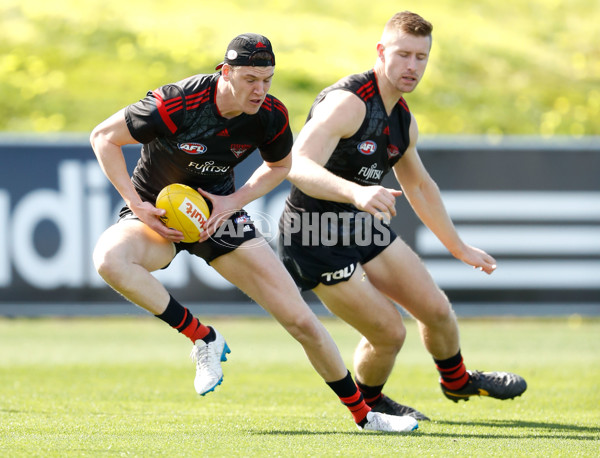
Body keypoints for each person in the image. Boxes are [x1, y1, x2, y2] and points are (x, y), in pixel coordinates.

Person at [90, 33, 418, 433]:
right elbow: (103, 137)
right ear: (224, 72)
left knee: (301, 321)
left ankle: (365, 417)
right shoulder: (178, 102)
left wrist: (234, 202)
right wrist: (136, 204)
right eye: (249, 79)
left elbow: (280, 166)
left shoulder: (270, 116)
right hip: (157, 218)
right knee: (110, 259)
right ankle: (202, 337)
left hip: (219, 217)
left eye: (267, 79)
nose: (260, 90)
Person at [278, 12, 527, 420]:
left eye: (421, 57)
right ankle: (371, 404)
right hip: (314, 235)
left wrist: (458, 247)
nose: (413, 66)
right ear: (381, 52)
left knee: (436, 310)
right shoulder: (348, 103)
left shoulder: (402, 119)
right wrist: (356, 192)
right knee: (389, 333)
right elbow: (297, 166)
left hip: (357, 225)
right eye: (403, 55)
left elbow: (421, 187)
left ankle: (457, 380)